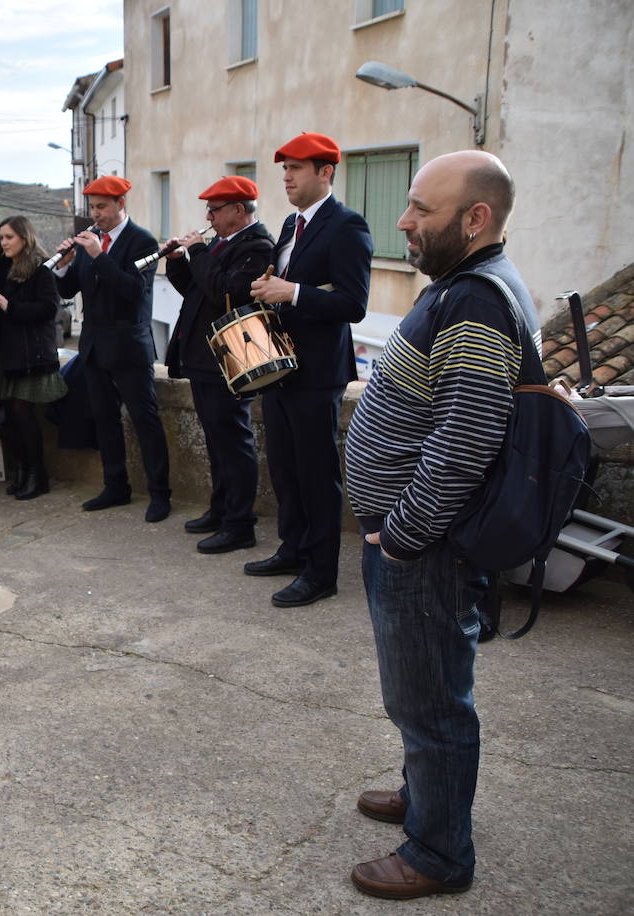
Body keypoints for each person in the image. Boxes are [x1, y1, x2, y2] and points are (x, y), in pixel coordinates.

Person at [344, 151, 532, 900]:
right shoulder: (460, 289)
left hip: (423, 548)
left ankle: (438, 853)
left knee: (432, 703)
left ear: (475, 219)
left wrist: (403, 533)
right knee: (421, 691)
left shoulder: (477, 302)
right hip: (408, 540)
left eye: (421, 208)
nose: (404, 220)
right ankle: (425, 798)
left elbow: (467, 439)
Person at [247, 132, 372, 607]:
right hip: (279, 365)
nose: (286, 176)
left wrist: (292, 292)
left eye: (296, 168)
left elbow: (354, 304)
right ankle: (293, 549)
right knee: (283, 466)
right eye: (284, 169)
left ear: (326, 173)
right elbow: (285, 280)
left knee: (317, 474)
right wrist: (267, 286)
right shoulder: (288, 224)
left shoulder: (347, 226)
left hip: (318, 372)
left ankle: (321, 573)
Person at [163, 177, 276, 553]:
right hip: (204, 358)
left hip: (230, 359)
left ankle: (240, 524)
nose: (208, 216)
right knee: (216, 439)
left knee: (233, 440)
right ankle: (221, 508)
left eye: (215, 209)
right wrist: (180, 261)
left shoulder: (257, 247)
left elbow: (224, 292)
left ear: (238, 211)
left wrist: (198, 253)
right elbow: (197, 291)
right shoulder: (222, 245)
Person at [52, 175, 171, 523]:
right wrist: (62, 266)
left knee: (144, 420)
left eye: (102, 207)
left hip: (129, 348)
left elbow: (133, 290)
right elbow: (72, 289)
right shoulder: (93, 242)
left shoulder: (143, 241)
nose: (96, 213)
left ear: (121, 204)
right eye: (92, 207)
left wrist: (98, 254)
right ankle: (115, 485)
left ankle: (160, 493)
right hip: (93, 346)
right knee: (104, 419)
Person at [0, 216, 66, 501]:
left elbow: (48, 309)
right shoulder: (2, 266)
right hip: (6, 353)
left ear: (24, 237)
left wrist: (9, 305)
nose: (3, 242)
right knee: (8, 417)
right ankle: (20, 472)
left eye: (8, 237)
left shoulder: (41, 268)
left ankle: (37, 476)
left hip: (31, 355)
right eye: (1, 237)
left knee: (23, 414)